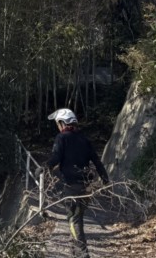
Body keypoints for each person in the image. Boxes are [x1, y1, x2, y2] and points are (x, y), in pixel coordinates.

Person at [46, 108, 109, 258]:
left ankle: (82, 252)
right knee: (78, 217)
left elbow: (56, 157)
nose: (58, 127)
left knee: (73, 219)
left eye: (57, 124)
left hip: (71, 185)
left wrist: (44, 168)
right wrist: (105, 179)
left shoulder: (62, 138)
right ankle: (76, 249)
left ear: (62, 123)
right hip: (86, 186)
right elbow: (97, 161)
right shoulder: (84, 140)